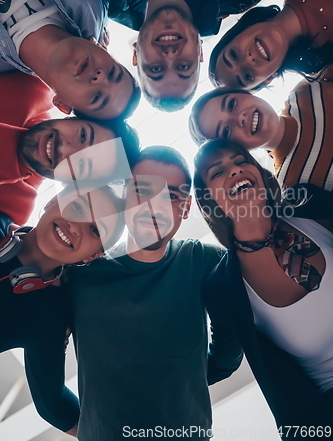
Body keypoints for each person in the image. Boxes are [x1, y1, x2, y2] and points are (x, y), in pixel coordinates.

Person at [66, 145, 242, 441]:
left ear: (186, 208)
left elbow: (229, 351)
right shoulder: (81, 271)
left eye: (171, 196)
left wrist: (188, 379)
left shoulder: (203, 261)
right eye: (142, 190)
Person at [194, 139, 333, 436]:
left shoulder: (307, 206)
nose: (235, 170)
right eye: (218, 172)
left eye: (240, 160)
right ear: (209, 200)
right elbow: (220, 361)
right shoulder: (222, 288)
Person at [55, 0, 287, 110]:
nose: (169, 55)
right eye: (184, 67)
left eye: (155, 69)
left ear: (135, 55)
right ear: (200, 53)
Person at [0, 184, 124, 437]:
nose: (75, 225)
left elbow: (53, 402)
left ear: (92, 256)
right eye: (76, 207)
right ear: (54, 199)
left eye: (94, 230)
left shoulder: (51, 317)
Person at [0, 0, 140, 120]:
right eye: (111, 72)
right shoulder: (92, 1)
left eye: (96, 97)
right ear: (104, 50)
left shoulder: (5, 70)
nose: (100, 77)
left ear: (63, 104)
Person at [0, 72, 139, 224]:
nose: (65, 149)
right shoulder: (30, 83)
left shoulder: (14, 210)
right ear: (73, 118)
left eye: (81, 165)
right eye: (83, 136)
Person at [209, 0, 333, 90]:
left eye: (234, 55)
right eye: (247, 76)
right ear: (268, 79)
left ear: (239, 32)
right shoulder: (328, 62)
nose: (248, 59)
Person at [189, 80, 333, 191]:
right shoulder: (292, 183)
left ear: (244, 92)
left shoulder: (308, 88)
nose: (240, 118)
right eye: (226, 130)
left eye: (232, 104)